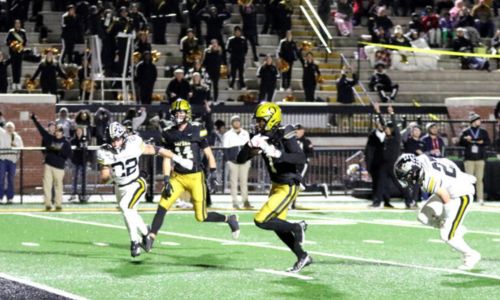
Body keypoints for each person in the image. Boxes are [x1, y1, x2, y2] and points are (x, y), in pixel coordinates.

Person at [144, 99, 240, 251]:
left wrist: (214, 172)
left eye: (181, 112)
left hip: (195, 177)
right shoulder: (169, 133)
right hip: (178, 177)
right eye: (176, 112)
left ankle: (229, 219)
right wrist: (166, 179)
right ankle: (151, 237)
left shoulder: (197, 129)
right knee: (162, 206)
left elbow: (209, 154)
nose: (178, 115)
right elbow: (167, 157)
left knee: (201, 216)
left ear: (187, 114)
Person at [97, 122, 193, 257]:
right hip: (120, 187)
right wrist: (110, 175)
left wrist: (180, 159)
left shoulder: (133, 143)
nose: (114, 143)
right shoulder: (103, 151)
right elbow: (104, 178)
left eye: (117, 139)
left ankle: (134, 243)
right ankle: (146, 233)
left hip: (136, 183)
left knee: (126, 207)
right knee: (129, 213)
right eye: (111, 140)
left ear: (123, 137)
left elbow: (158, 150)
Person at [236, 102, 311, 273]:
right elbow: (240, 160)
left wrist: (278, 154)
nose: (258, 124)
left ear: (271, 119)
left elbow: (300, 158)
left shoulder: (285, 131)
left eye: (261, 121)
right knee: (277, 225)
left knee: (261, 220)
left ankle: (296, 227)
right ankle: (302, 256)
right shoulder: (260, 137)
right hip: (276, 185)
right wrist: (249, 147)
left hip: (288, 184)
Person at [394, 153, 481, 270]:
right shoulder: (421, 160)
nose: (407, 179)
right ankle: (456, 228)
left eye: (407, 176)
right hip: (448, 187)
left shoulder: (427, 179)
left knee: (447, 236)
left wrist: (445, 218)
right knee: (423, 217)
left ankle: (471, 254)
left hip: (461, 194)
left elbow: (446, 198)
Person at [31, 113, 72, 211]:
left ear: (62, 133)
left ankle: (58, 205)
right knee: (47, 186)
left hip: (59, 167)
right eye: (56, 131)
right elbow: (41, 130)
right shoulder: (50, 138)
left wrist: (59, 153)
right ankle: (48, 204)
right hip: (48, 165)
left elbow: (69, 155)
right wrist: (34, 119)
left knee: (59, 187)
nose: (57, 133)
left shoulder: (66, 143)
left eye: (59, 131)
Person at [371, 103, 400, 208]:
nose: (386, 129)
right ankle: (378, 202)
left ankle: (410, 199)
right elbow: (383, 124)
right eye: (386, 128)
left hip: (393, 164)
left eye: (389, 128)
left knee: (398, 183)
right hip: (384, 164)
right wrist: (378, 112)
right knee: (381, 183)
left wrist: (392, 113)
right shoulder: (386, 137)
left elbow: (395, 126)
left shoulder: (396, 137)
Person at [459, 112, 490, 205]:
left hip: (480, 158)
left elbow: (488, 142)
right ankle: (468, 198)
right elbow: (460, 142)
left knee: (479, 179)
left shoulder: (483, 131)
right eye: (478, 120)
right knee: (469, 180)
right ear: (473, 121)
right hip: (469, 159)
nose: (480, 121)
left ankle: (480, 198)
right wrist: (466, 139)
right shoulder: (466, 131)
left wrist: (482, 142)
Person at [223, 115, 252, 209]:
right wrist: (228, 161)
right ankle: (235, 202)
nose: (236, 123)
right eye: (234, 121)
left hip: (244, 161)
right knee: (233, 182)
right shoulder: (227, 134)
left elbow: (249, 147)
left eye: (238, 121)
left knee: (244, 182)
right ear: (232, 123)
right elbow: (225, 149)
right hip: (233, 162)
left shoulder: (245, 133)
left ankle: (245, 201)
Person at [295, 124, 328, 203]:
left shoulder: (306, 141)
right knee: (302, 186)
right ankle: (320, 187)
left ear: (302, 131)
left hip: (302, 165)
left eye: (298, 130)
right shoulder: (292, 141)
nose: (296, 132)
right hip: (294, 165)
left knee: (297, 183)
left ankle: (292, 203)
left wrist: (304, 158)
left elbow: (311, 152)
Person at [365, 114, 385, 208]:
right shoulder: (372, 135)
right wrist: (368, 164)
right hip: (375, 163)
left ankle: (385, 200)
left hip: (386, 163)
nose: (380, 125)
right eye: (378, 123)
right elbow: (368, 150)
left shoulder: (389, 134)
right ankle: (376, 200)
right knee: (376, 183)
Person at [0, 122, 23, 204]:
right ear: (5, 128)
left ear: (14, 128)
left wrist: (16, 157)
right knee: (1, 178)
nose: (9, 129)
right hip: (2, 158)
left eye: (11, 127)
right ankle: (0, 198)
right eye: (8, 127)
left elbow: (21, 149)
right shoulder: (2, 134)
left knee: (11, 179)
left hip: (12, 160)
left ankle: (10, 198)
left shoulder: (17, 138)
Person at [6, 19, 26, 90]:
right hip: (13, 53)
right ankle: (14, 82)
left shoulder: (23, 32)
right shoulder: (11, 32)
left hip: (20, 53)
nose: (18, 25)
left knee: (19, 68)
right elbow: (7, 42)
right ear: (14, 24)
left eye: (19, 23)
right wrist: (13, 45)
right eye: (16, 23)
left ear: (20, 24)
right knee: (14, 68)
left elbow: (25, 42)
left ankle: (18, 82)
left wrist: (20, 47)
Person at [226, 26, 248, 91]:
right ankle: (231, 86)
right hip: (233, 59)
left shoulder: (243, 40)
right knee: (233, 74)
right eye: (236, 32)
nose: (238, 33)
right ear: (234, 32)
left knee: (241, 74)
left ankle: (242, 86)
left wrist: (242, 54)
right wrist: (233, 53)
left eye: (239, 32)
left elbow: (246, 49)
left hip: (241, 59)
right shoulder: (231, 40)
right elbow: (227, 48)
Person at [69, 126, 87, 202]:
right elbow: (71, 150)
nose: (79, 132)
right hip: (75, 161)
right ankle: (73, 194)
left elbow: (85, 148)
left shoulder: (84, 139)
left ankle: (83, 194)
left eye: (80, 131)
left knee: (83, 178)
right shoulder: (73, 140)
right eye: (78, 131)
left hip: (82, 161)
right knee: (74, 178)